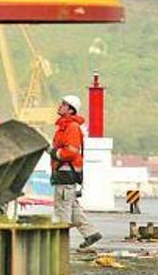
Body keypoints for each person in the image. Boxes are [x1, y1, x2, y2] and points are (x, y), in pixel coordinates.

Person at [49, 95, 102, 249]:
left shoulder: (71, 127)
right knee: (72, 208)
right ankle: (90, 233)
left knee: (62, 210)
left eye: (63, 104)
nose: (60, 106)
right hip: (65, 173)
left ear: (71, 109)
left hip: (65, 174)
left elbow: (71, 151)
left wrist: (54, 153)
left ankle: (60, 244)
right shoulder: (65, 126)